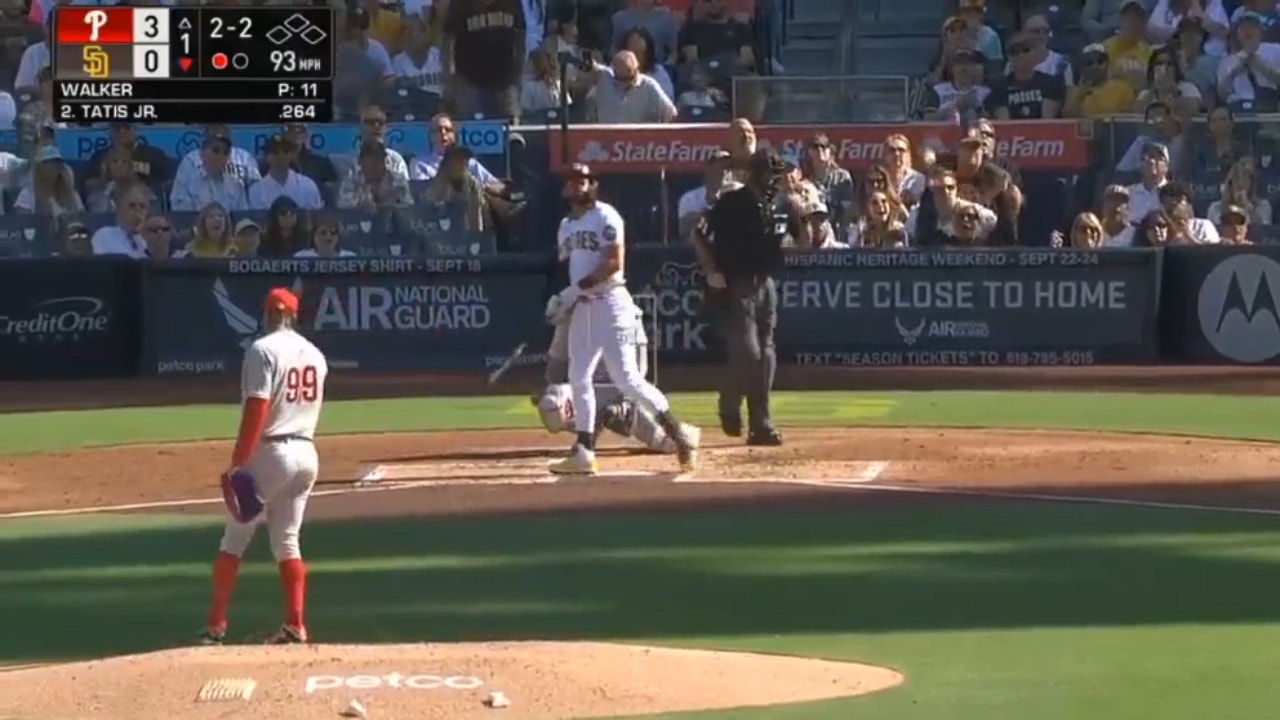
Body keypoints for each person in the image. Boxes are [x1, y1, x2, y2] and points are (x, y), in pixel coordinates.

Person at [547, 163, 697, 475]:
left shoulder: (606, 215)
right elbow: (570, 264)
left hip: (612, 303)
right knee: (579, 376)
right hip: (584, 308)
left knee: (627, 378)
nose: (578, 185)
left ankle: (678, 434)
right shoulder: (565, 226)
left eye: (584, 180)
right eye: (573, 180)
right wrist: (565, 299)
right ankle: (585, 450)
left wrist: (572, 291)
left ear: (593, 184)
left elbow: (614, 263)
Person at [201, 287, 328, 646]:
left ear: (267, 314)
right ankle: (295, 624)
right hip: (307, 454)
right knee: (287, 542)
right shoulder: (316, 355)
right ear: (294, 315)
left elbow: (256, 408)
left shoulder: (262, 350)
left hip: (270, 453)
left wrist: (238, 462)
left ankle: (215, 626)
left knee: (233, 540)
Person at [694, 149, 803, 445]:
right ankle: (729, 401)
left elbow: (802, 238)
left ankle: (761, 423)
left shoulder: (784, 203)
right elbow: (700, 233)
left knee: (767, 354)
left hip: (765, 283)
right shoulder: (732, 202)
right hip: (734, 282)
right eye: (768, 174)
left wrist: (795, 229)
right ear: (753, 175)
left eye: (776, 174)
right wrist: (710, 269)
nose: (773, 180)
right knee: (748, 353)